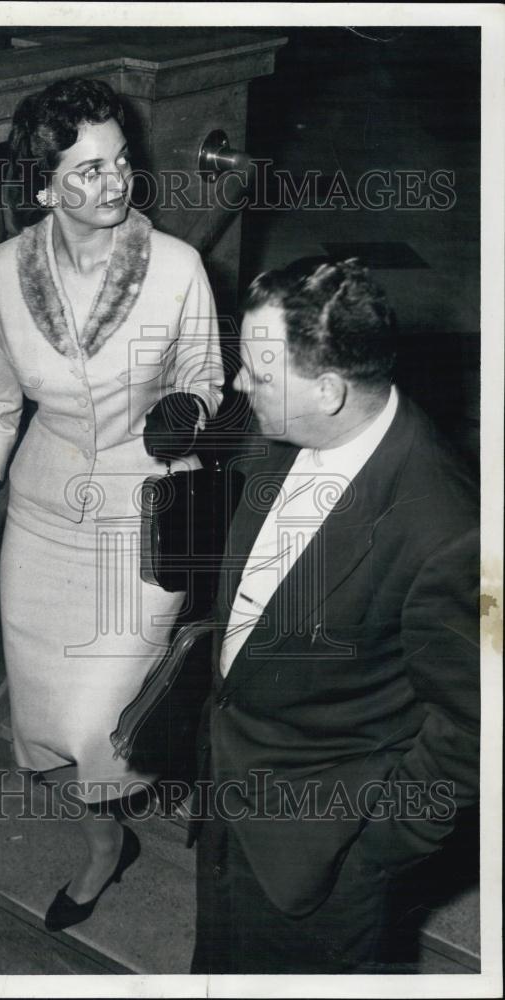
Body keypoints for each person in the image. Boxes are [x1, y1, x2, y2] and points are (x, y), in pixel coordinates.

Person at [0, 77, 223, 932]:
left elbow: (208, 380)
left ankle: (183, 777)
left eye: (122, 163)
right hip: (41, 519)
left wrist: (188, 414)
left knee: (102, 721)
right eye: (89, 171)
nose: (116, 184)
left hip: (143, 521)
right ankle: (107, 846)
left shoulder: (176, 269)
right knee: (47, 729)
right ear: (42, 186)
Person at [190, 258, 479, 973]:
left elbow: (479, 729)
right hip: (231, 783)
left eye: (257, 374)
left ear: (328, 390)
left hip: (322, 852)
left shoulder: (451, 530)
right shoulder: (282, 434)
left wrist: (371, 850)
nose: (237, 386)